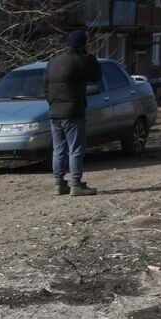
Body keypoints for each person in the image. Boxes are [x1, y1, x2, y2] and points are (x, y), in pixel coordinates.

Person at [44, 29, 102, 197]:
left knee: (58, 149)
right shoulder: (79, 60)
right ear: (83, 46)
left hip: (54, 112)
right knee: (76, 149)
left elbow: (45, 87)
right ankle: (76, 184)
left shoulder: (53, 61)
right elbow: (96, 76)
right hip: (72, 112)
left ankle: (59, 184)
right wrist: (90, 57)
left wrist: (53, 104)